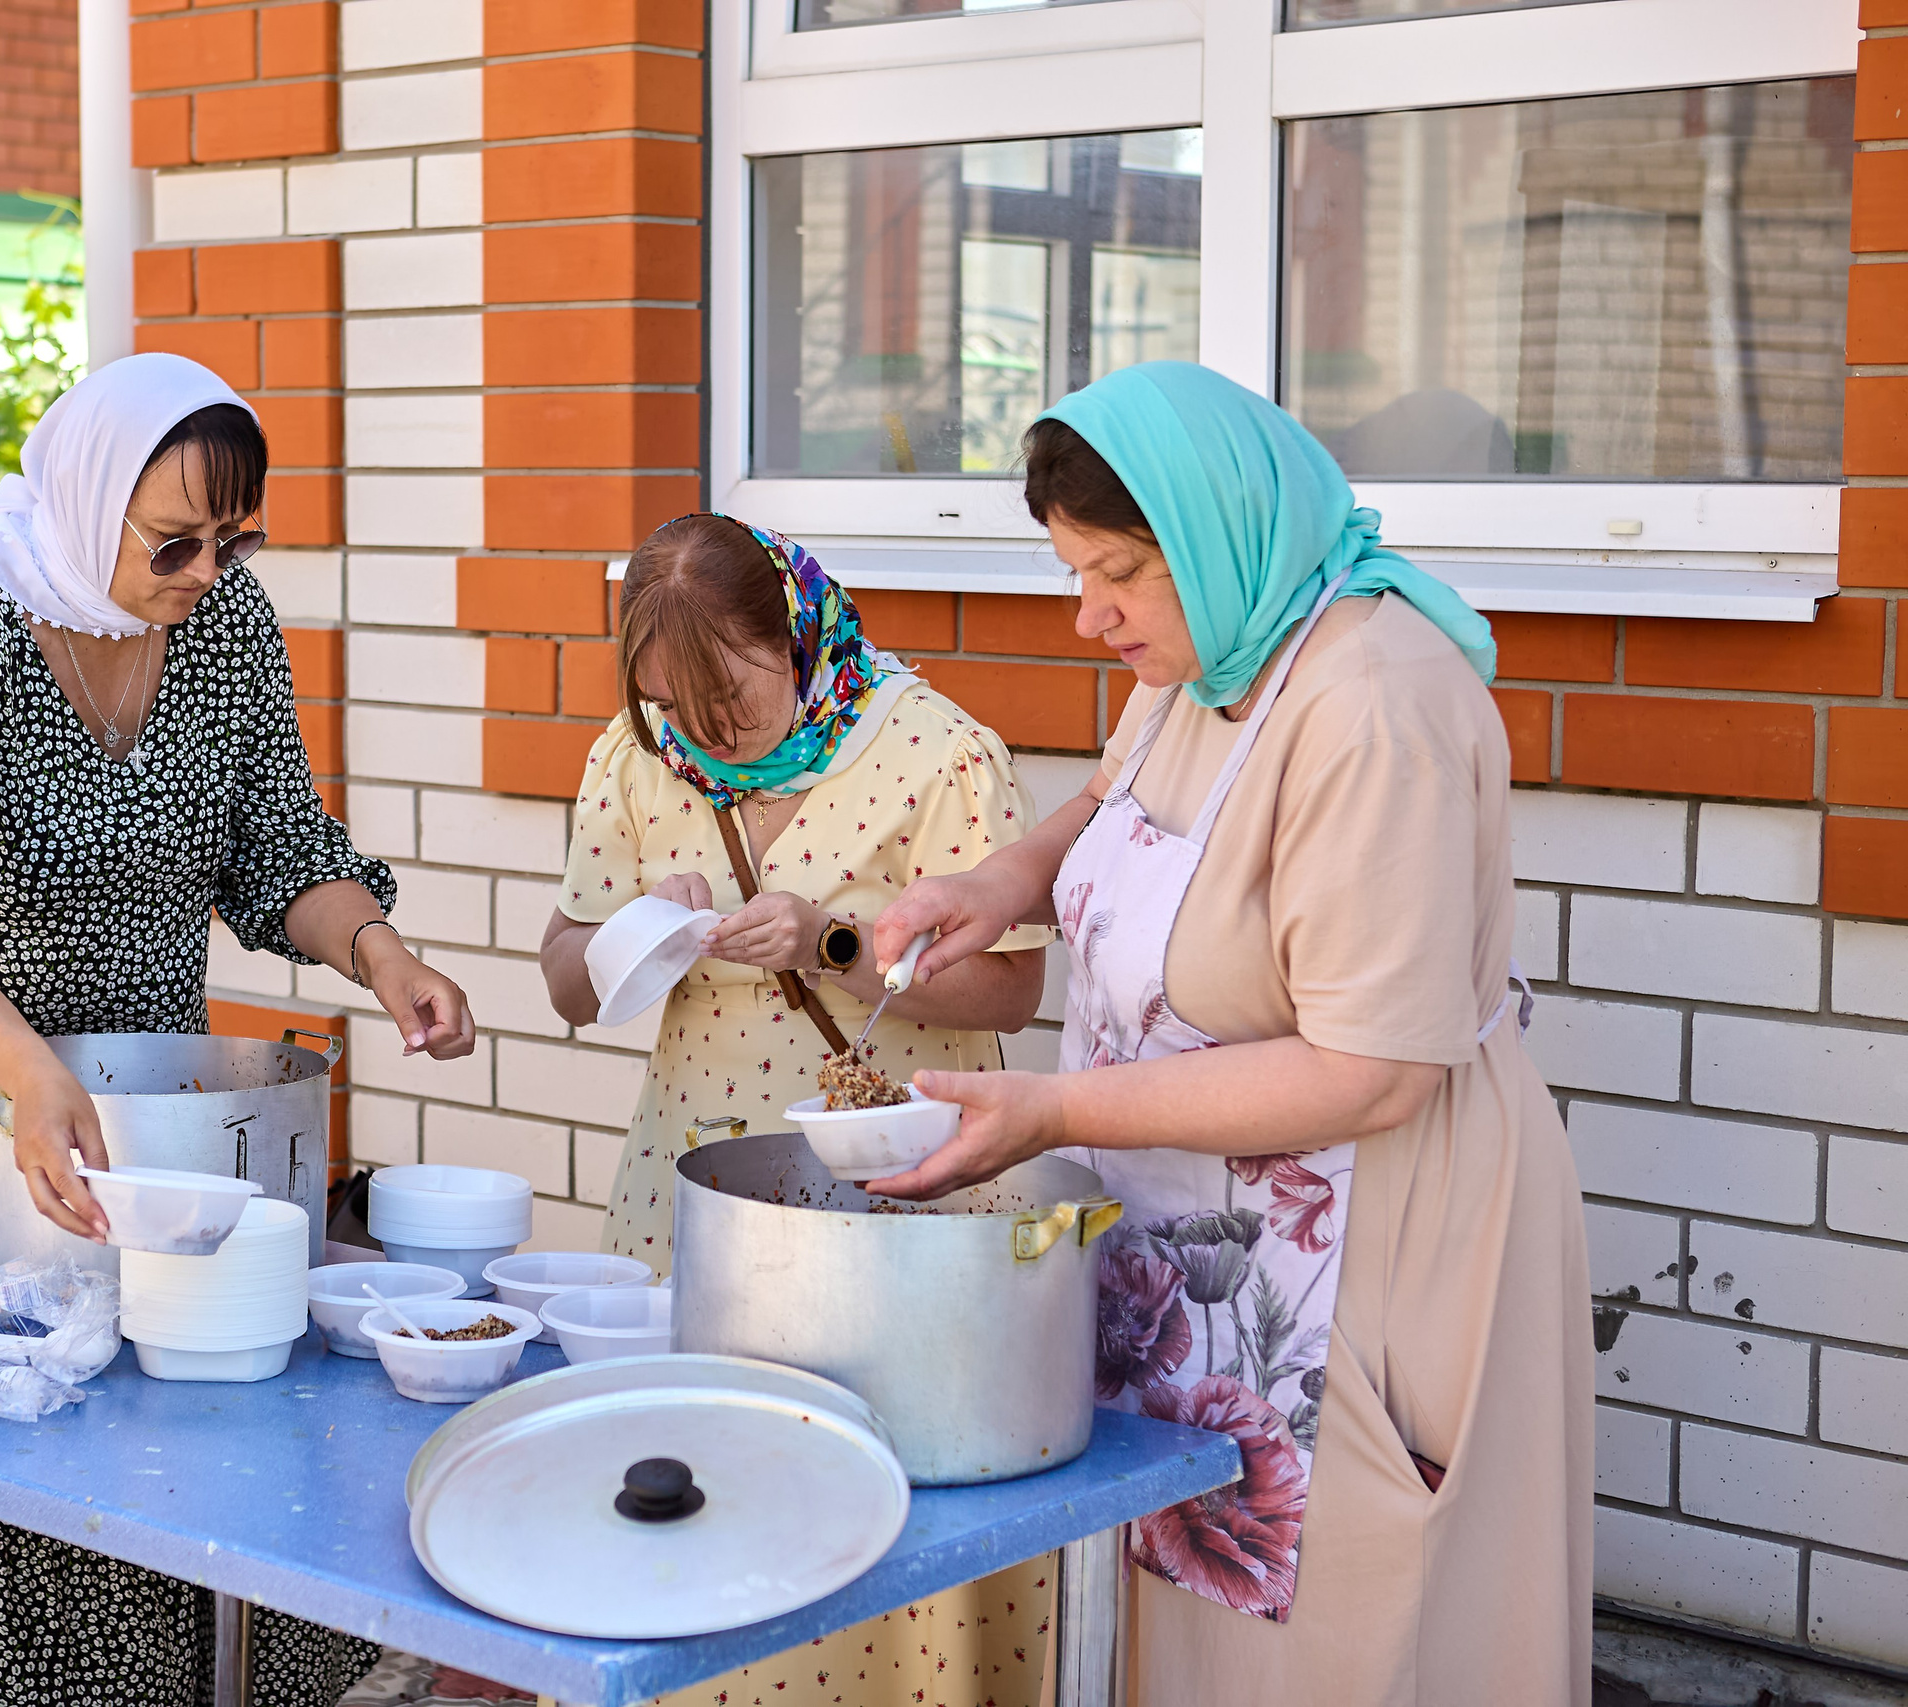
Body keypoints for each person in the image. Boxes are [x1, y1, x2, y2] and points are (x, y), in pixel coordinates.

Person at [869, 362, 1590, 1705]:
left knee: (1337, 1628)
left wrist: (1052, 1113)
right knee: (1182, 1616)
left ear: (1214, 528)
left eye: (1119, 575)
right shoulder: (1217, 644)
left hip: (1370, 1247)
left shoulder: (1375, 701)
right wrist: (998, 882)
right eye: (1073, 571)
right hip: (1194, 1217)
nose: (1089, 617)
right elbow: (1106, 803)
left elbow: (1369, 1071)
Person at [0, 351, 476, 1705]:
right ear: (87, 496)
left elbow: (281, 846)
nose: (208, 570)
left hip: (132, 1095)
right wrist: (25, 1075)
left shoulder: (225, 631)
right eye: (176, 541)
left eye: (238, 539)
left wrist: (382, 952)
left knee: (148, 1422)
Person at [539, 512, 1056, 1707]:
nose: (707, 735)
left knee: (872, 1506)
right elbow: (565, 981)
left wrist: (835, 942)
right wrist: (633, 936)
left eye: (728, 699)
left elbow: (1014, 990)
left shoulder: (938, 753)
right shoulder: (636, 755)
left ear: (796, 636)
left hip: (888, 1208)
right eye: (674, 705)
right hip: (685, 1198)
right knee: (685, 1507)